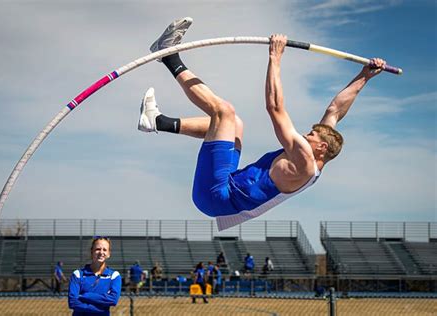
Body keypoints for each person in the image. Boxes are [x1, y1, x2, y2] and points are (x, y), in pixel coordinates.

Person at [138, 18, 387, 231]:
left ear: (321, 148)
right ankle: (158, 121)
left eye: (310, 134)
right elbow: (335, 110)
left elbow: (275, 108)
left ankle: (169, 55)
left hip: (217, 196)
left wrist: (275, 57)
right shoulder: (318, 152)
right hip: (225, 187)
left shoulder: (303, 162)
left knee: (224, 112)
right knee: (234, 125)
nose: (304, 134)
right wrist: (365, 75)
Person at [68, 236, 121, 315]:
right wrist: (99, 309)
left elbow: (113, 300)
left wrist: (87, 296)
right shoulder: (78, 275)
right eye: (98, 249)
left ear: (109, 254)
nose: (101, 252)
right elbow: (73, 302)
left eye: (105, 250)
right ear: (91, 251)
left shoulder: (114, 276)